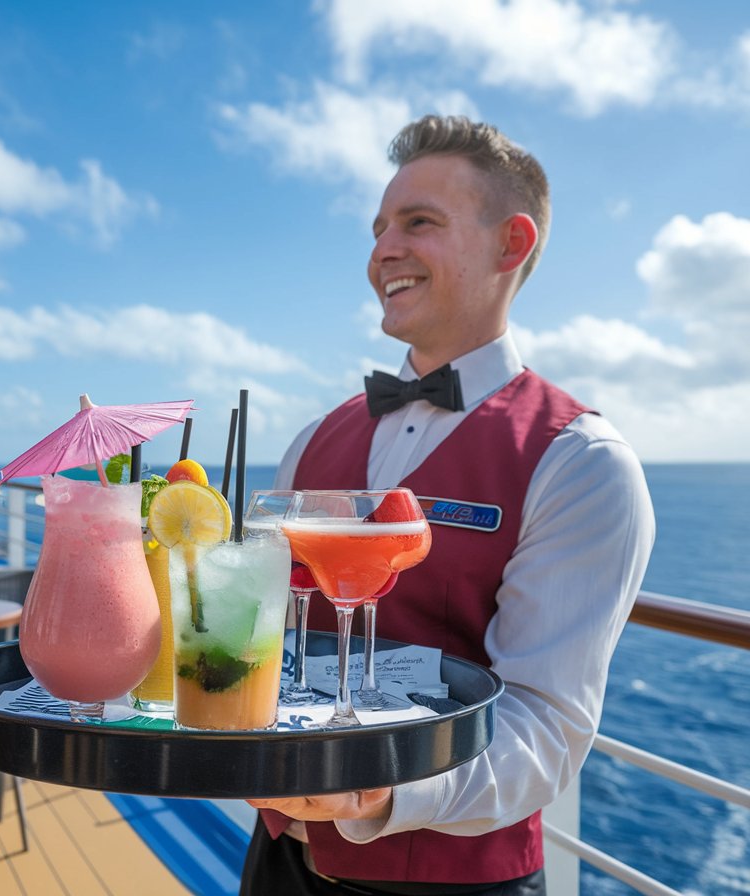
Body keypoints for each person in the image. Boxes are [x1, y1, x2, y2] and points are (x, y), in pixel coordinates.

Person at [241, 115, 656, 895]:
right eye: (378, 228)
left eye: (419, 223)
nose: (381, 251)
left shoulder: (582, 464)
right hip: (279, 858)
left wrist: (378, 790)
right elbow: (267, 636)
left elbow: (544, 727)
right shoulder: (309, 442)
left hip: (450, 880)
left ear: (511, 244)